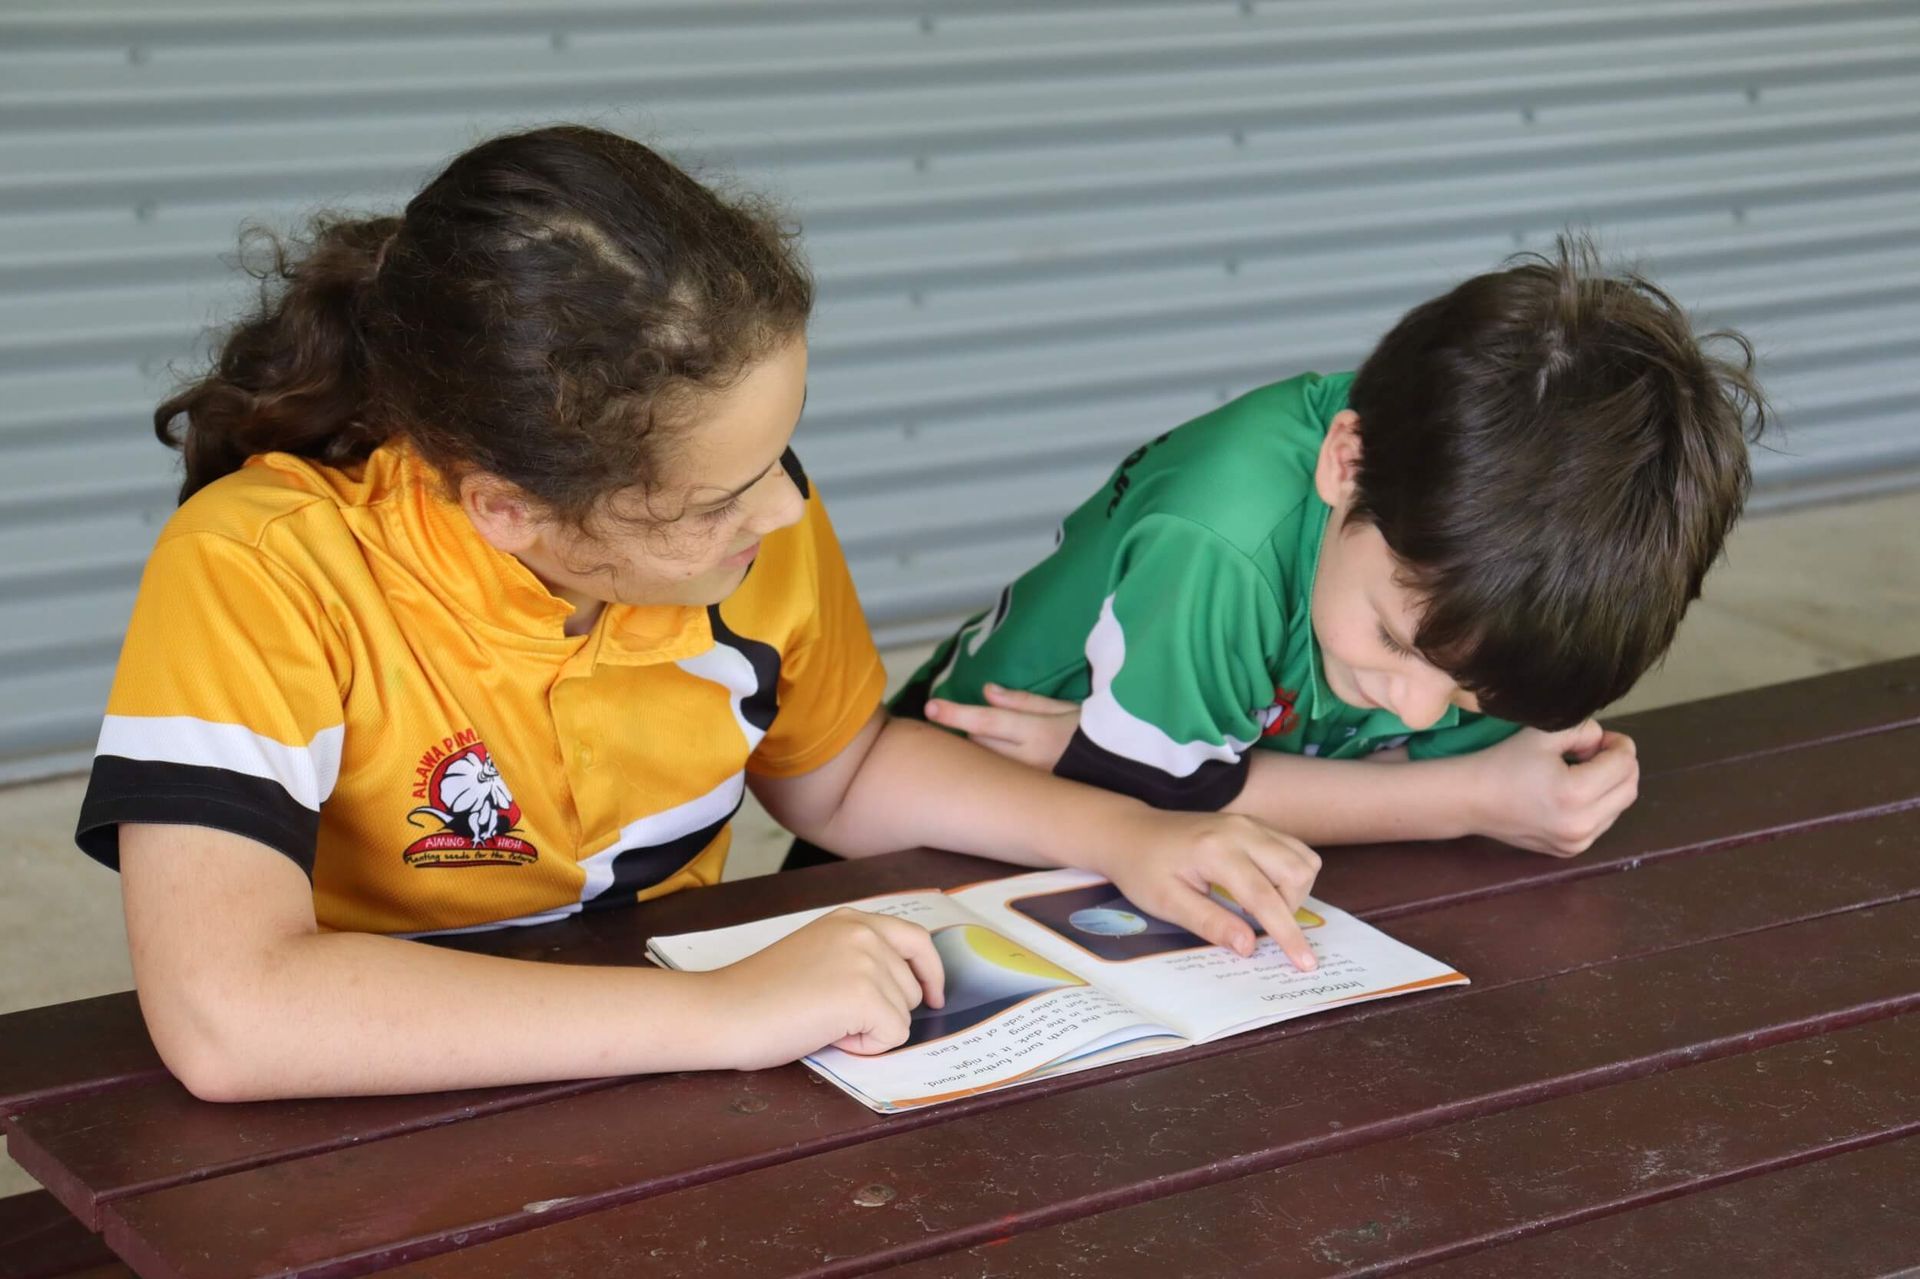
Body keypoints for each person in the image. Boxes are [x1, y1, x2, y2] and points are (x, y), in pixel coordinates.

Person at [75, 125, 1323, 1102]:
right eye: (723, 492)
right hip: (391, 1087)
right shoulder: (261, 566)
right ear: (508, 507)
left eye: (782, 454)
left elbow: (839, 774)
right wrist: (723, 1013)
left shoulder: (742, 527)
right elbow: (227, 1014)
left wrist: (1123, 835)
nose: (783, 509)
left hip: (661, 1061)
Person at [787, 236, 1766, 870]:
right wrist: (1469, 794)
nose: (1418, 706)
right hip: (936, 848)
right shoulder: (1223, 536)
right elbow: (1157, 807)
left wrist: (1547, 769)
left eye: (1474, 697)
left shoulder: (1482, 541)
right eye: (1394, 641)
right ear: (1345, 463)